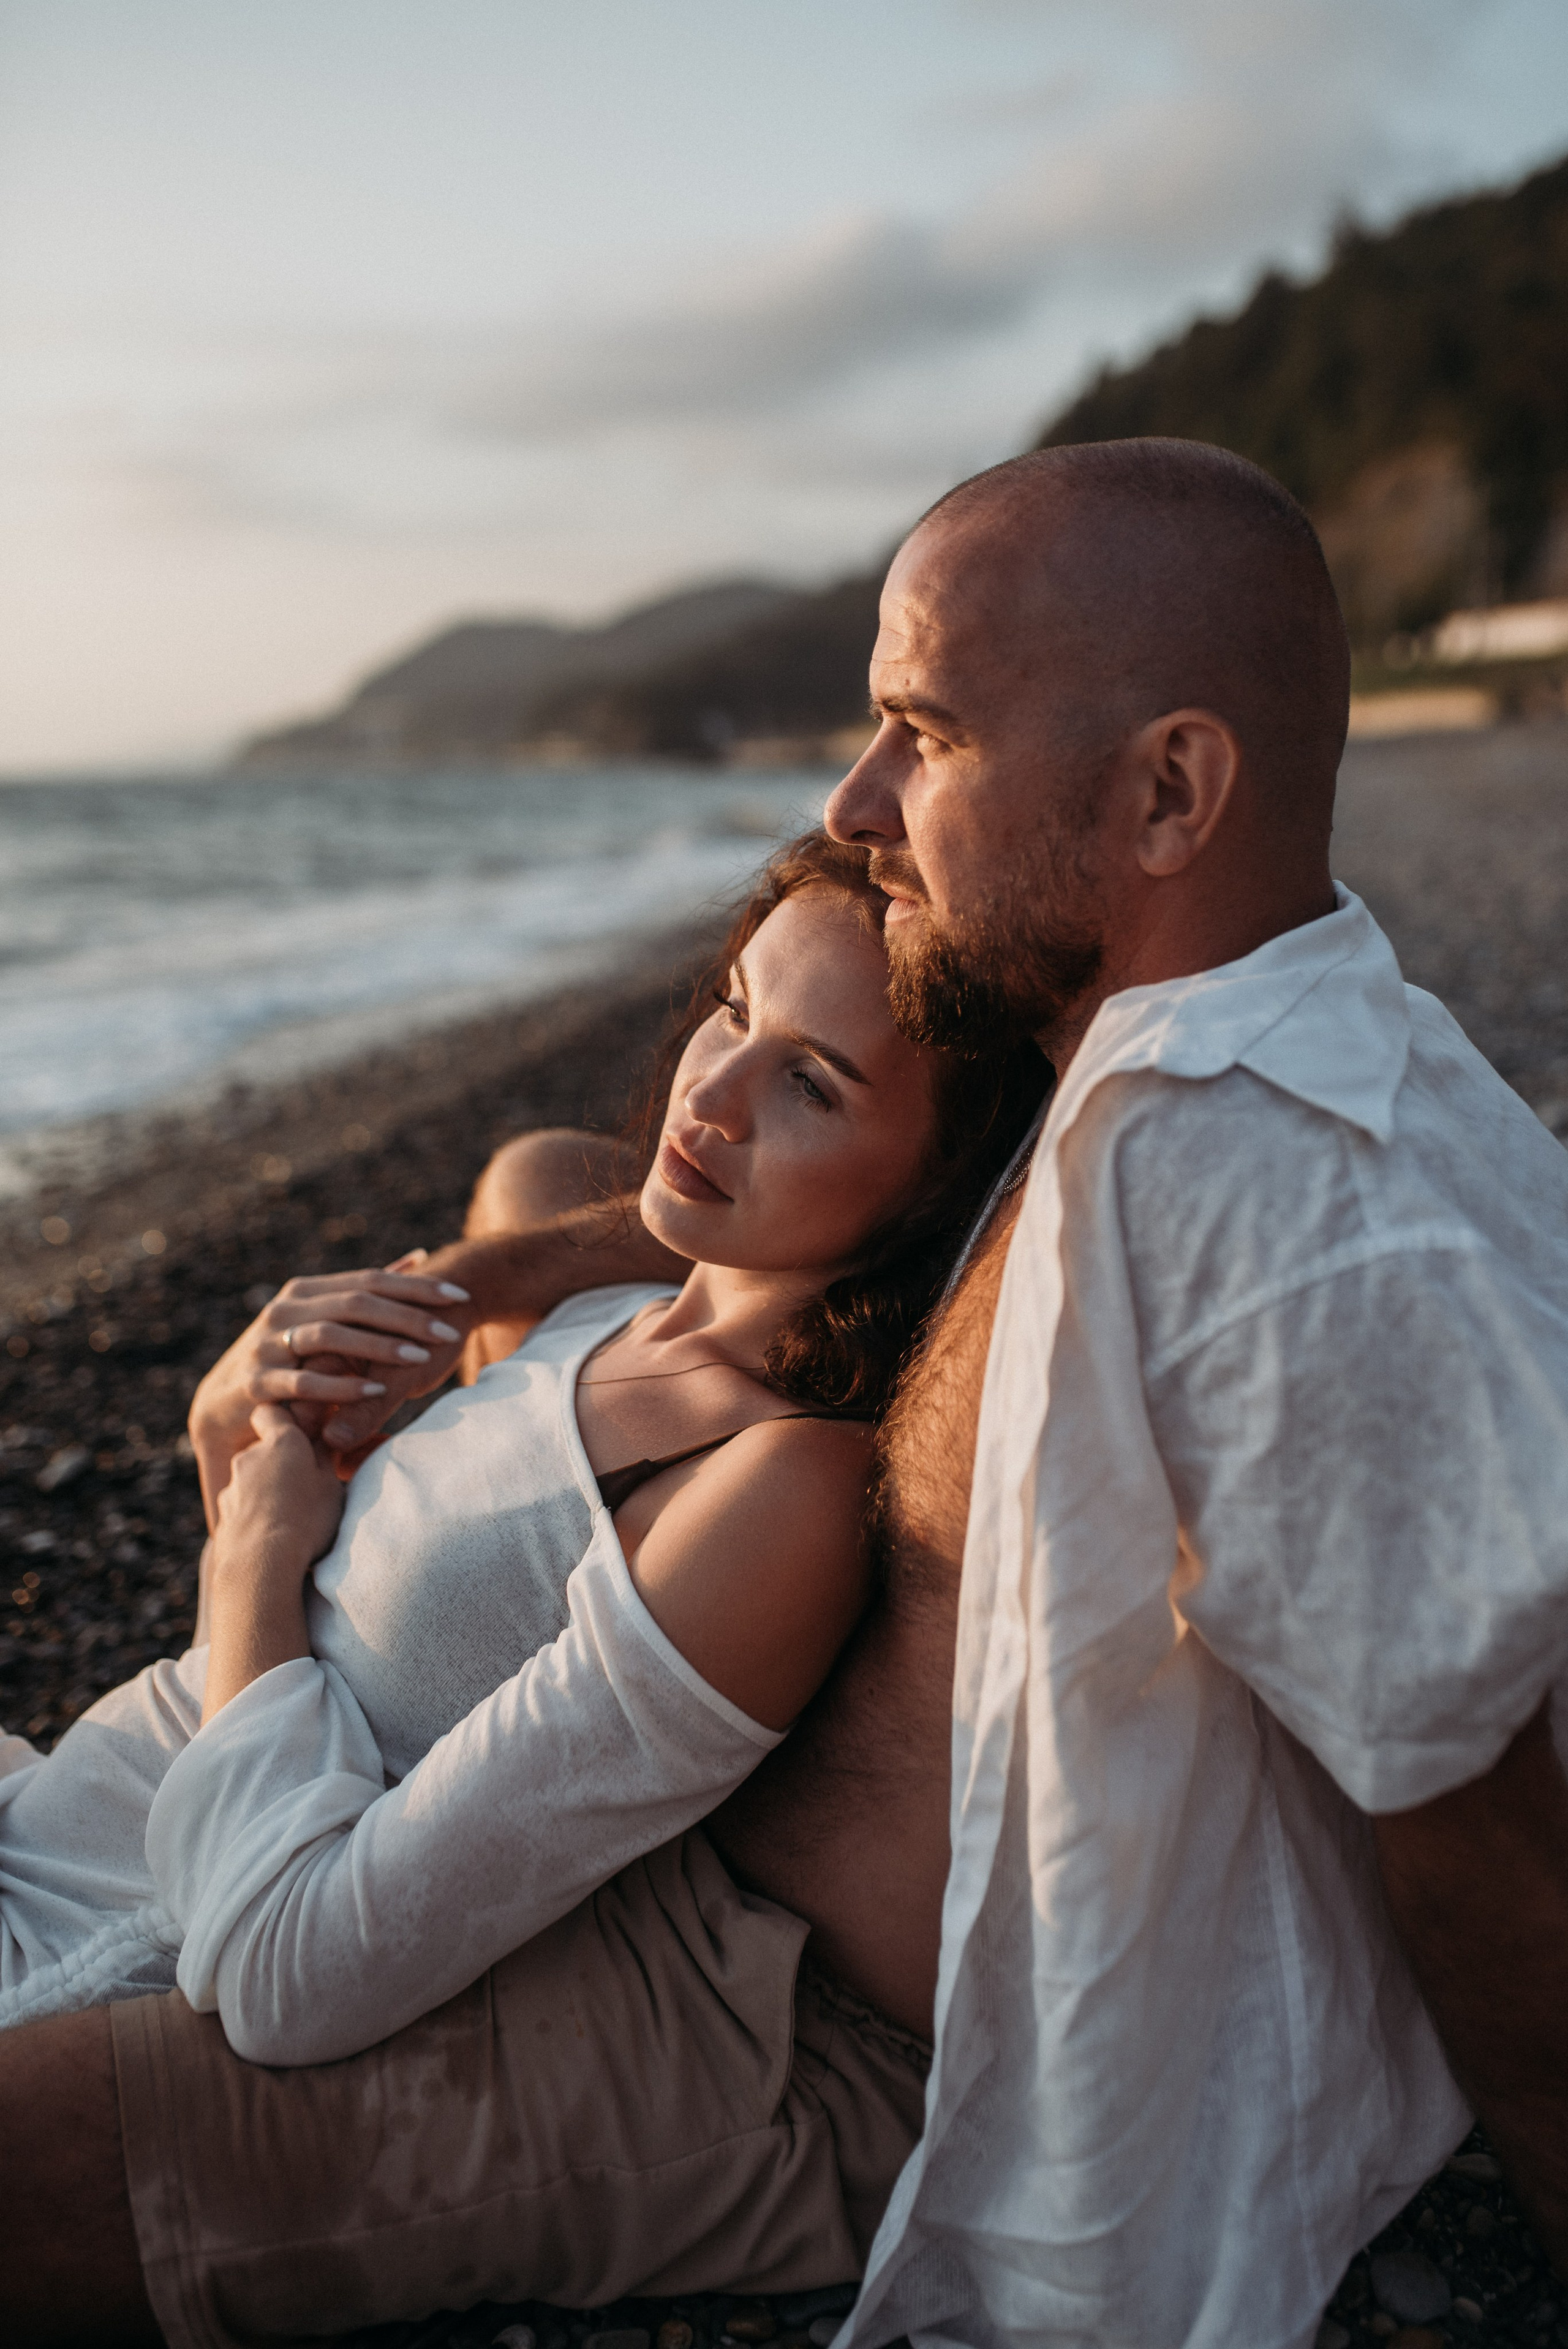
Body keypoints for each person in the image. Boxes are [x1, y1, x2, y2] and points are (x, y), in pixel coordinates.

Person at [10, 437, 1568, 2349]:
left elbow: (1472, 1791)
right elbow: (794, 1205)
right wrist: (490, 1268)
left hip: (781, 2023)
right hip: (627, 1828)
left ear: (1171, 786)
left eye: (923, 728)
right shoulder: (1109, 1017)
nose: (858, 794)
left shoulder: (1279, 1204)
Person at [0, 829, 1039, 2058]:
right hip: (51, 1812)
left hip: (89, 1946)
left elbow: (296, 1974)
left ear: (934, 1190)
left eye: (808, 1081)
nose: (705, 1097)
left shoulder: (771, 1485)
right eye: (731, 1008)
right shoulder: (606, 1318)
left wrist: (249, 1556)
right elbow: (549, 1190)